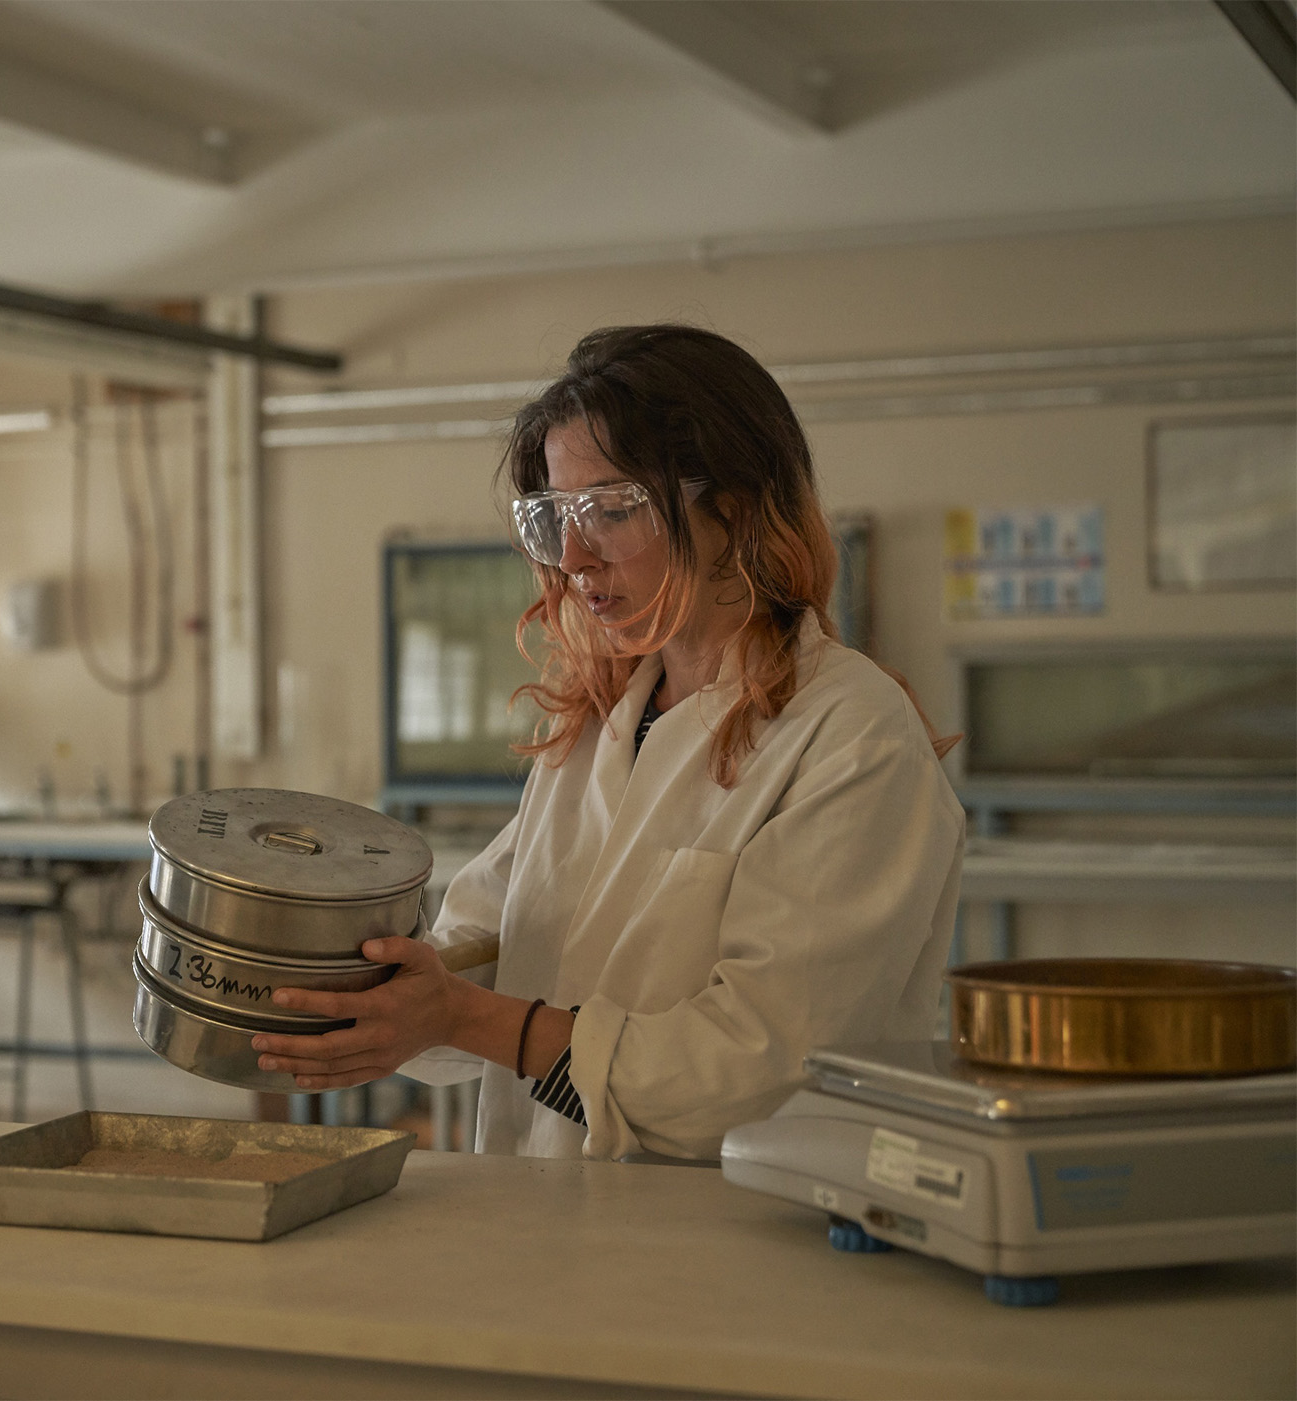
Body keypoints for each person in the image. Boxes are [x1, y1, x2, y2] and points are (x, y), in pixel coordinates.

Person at [251, 325, 964, 1161]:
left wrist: (466, 1017)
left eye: (612, 511)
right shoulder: (598, 729)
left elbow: (760, 1068)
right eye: (553, 517)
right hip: (554, 1233)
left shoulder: (851, 736)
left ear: (732, 513)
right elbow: (482, 951)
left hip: (739, 1257)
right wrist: (350, 987)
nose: (576, 557)